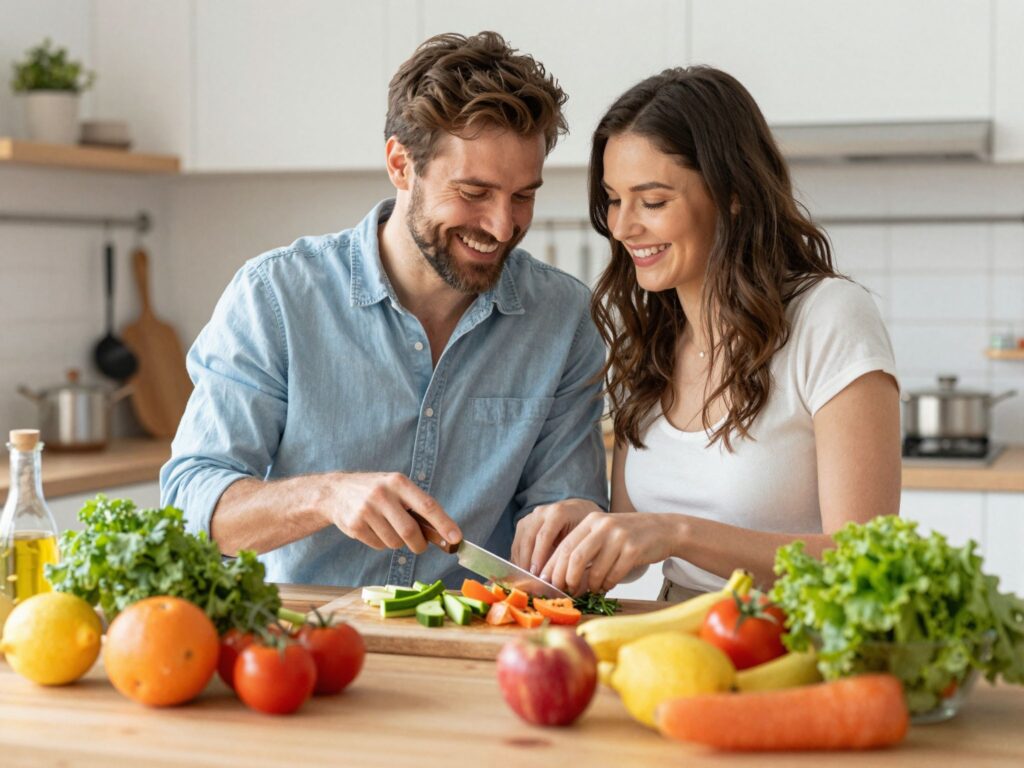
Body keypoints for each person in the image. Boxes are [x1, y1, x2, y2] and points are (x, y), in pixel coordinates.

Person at [161, 32, 608, 588]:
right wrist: (325, 495)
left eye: (523, 196)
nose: (501, 226)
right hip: (305, 646)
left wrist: (572, 528)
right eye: (473, 192)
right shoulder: (275, 297)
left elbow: (568, 510)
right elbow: (189, 507)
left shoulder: (561, 319)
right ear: (401, 164)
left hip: (477, 649)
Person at [513, 66, 901, 599]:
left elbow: (867, 560)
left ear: (733, 193)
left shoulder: (828, 317)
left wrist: (677, 533)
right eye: (613, 199)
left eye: (652, 202)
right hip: (673, 641)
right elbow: (633, 544)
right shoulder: (651, 340)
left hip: (792, 652)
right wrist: (586, 524)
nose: (624, 226)